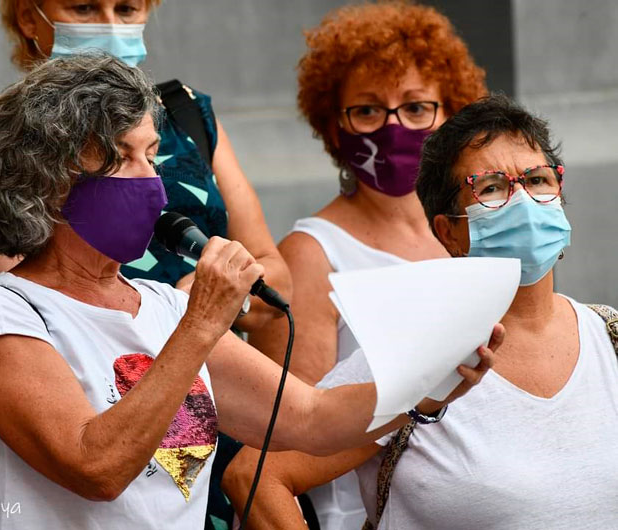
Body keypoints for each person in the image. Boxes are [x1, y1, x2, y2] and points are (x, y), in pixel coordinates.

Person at [0, 54, 499, 530]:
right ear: (50, 178)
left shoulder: (162, 306)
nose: (152, 179)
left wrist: (429, 387)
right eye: (124, 155)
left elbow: (312, 418)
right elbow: (97, 467)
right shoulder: (3, 313)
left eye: (152, 152)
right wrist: (202, 322)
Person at [224, 94, 618, 529]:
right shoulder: (414, 355)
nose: (523, 201)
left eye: (538, 180)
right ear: (448, 232)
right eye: (491, 189)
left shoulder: (610, 337)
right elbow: (256, 477)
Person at [244, 2, 487, 527]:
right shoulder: (311, 254)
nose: (394, 128)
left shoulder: (475, 238)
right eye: (368, 110)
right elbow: (290, 432)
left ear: (452, 115)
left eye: (417, 107)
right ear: (334, 127)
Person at [0, 0, 291, 332]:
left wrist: (198, 300)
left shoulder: (186, 113)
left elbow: (271, 273)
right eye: (84, 8)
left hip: (216, 365)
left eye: (126, 9)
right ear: (29, 19)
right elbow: (20, 284)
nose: (110, 25)